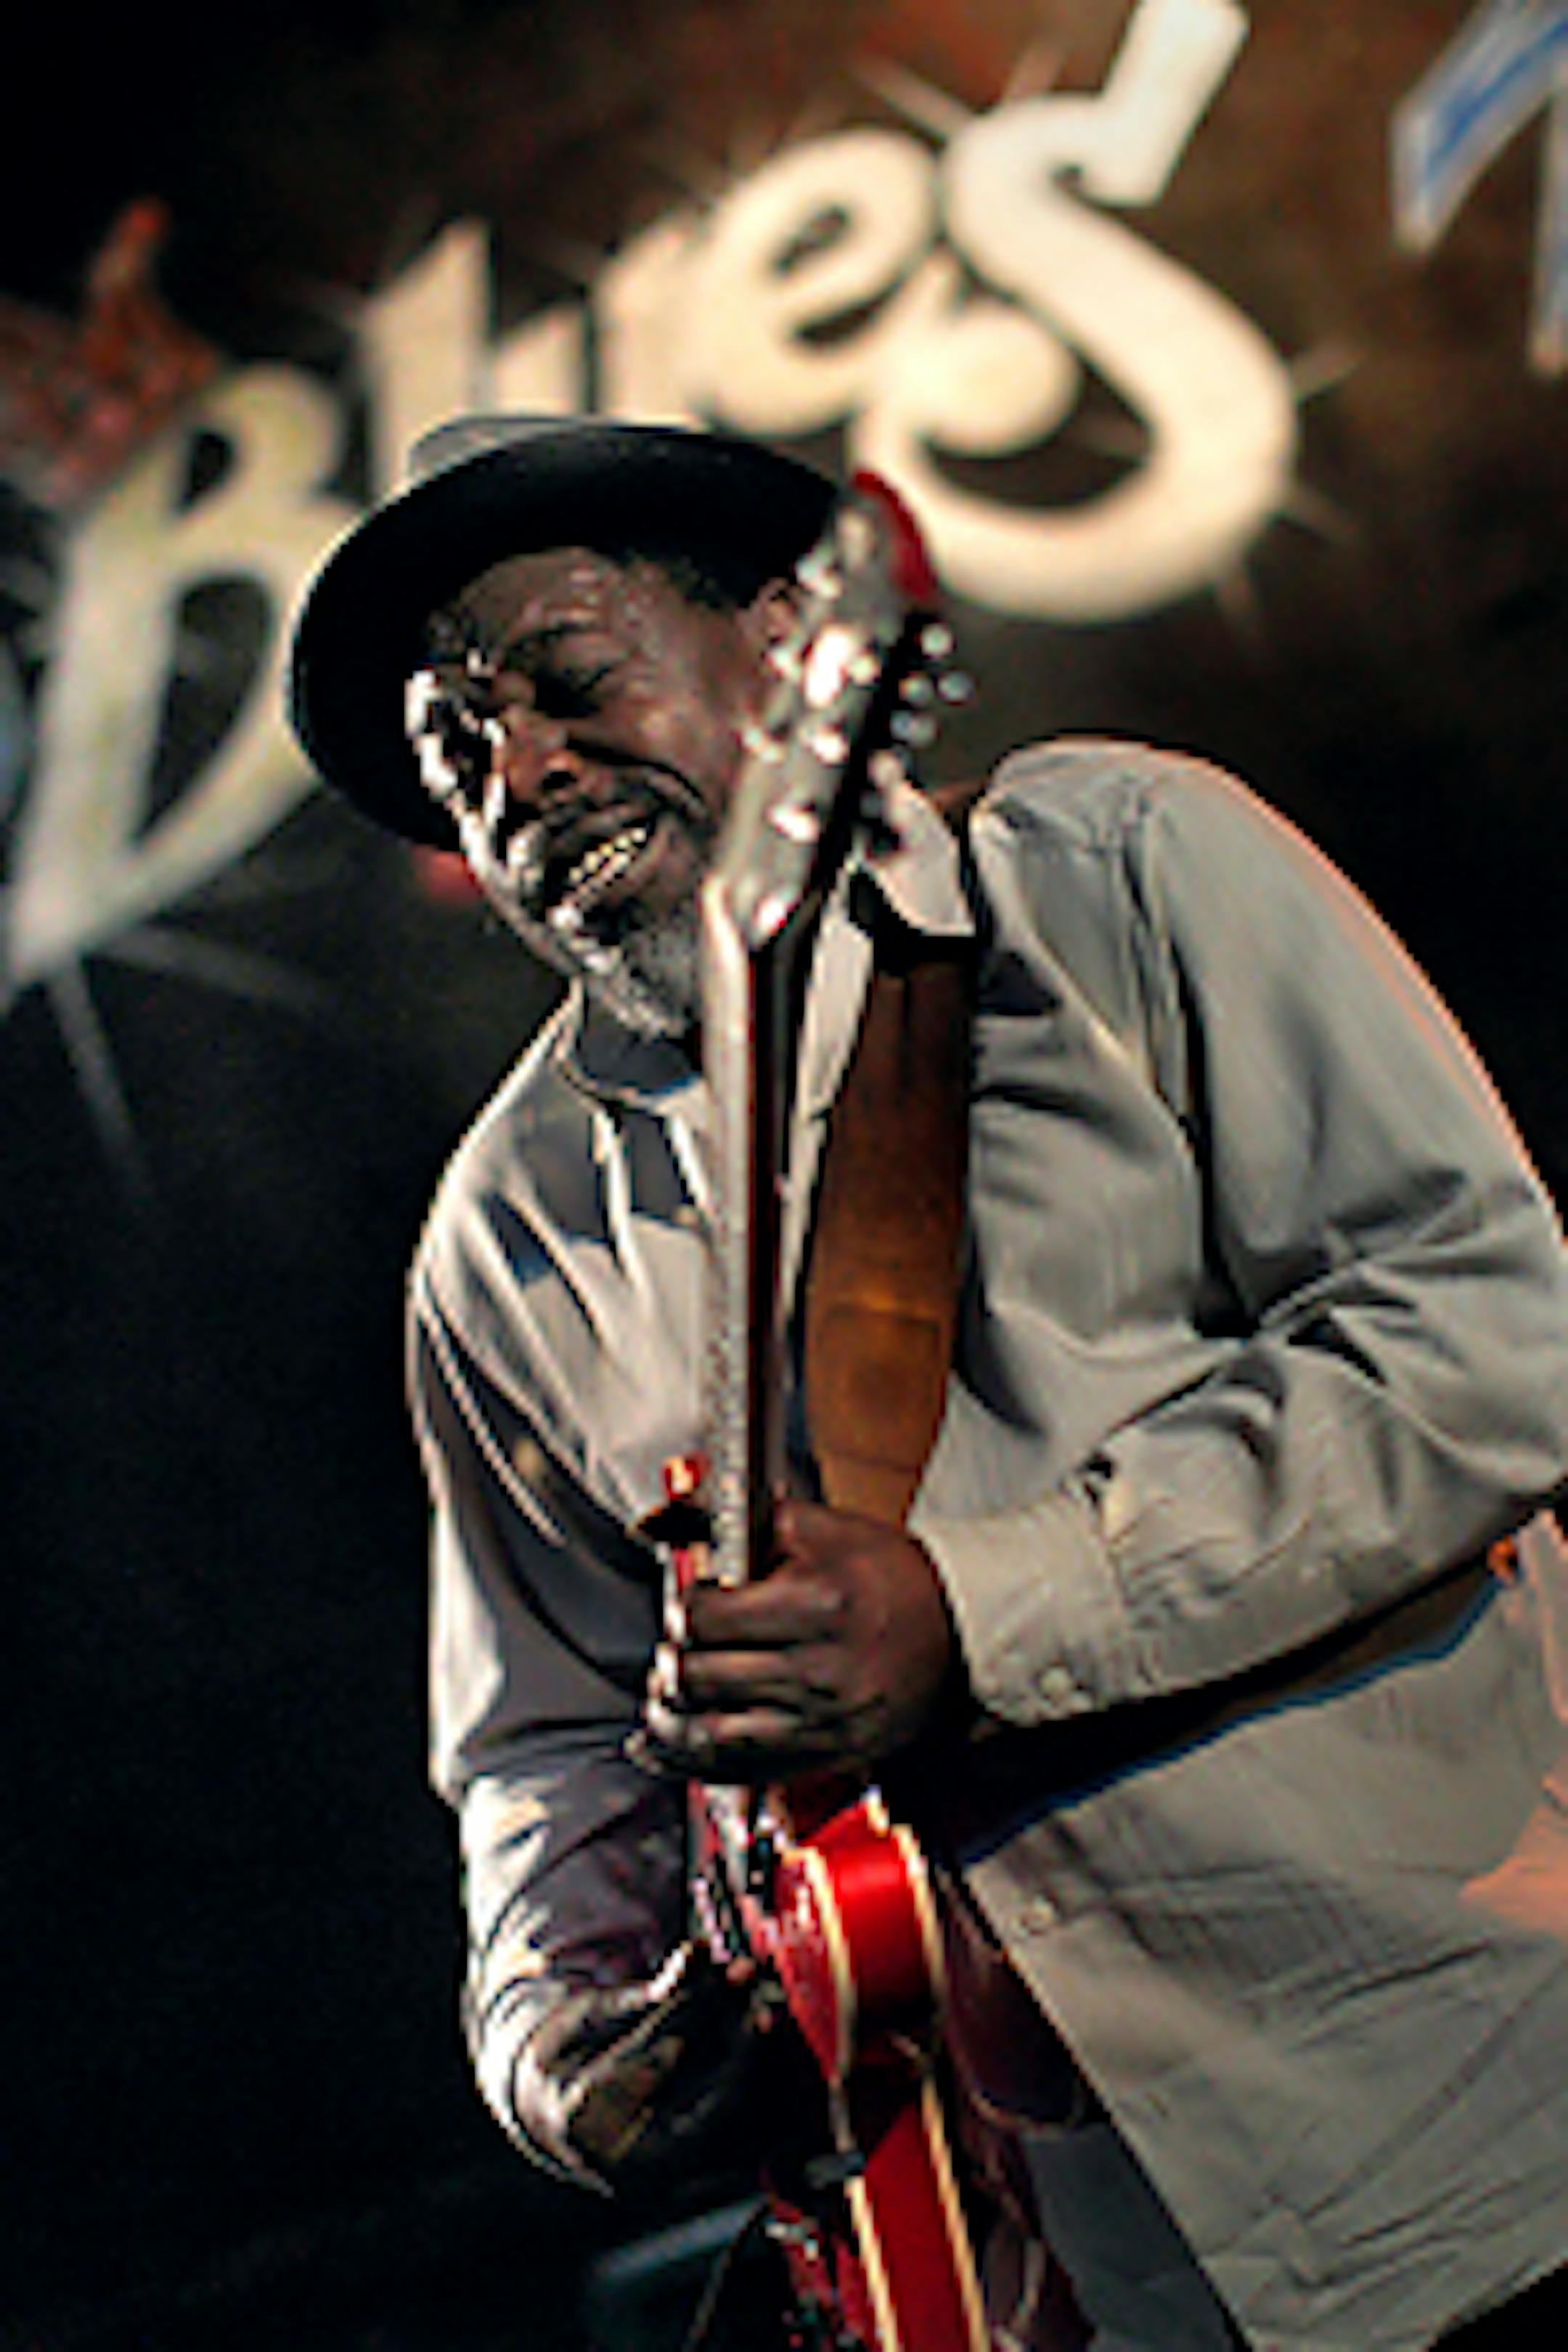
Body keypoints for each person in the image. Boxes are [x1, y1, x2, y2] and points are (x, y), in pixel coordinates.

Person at [287, 412, 1568, 2350]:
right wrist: (570, 2050)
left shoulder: (1116, 860)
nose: (526, 770)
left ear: (796, 645)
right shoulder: (499, 1240)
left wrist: (982, 1613)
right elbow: (538, 1755)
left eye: (568, 684)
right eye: (464, 757)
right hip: (1023, 2259)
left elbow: (1492, 1332)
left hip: (1471, 2103)